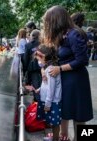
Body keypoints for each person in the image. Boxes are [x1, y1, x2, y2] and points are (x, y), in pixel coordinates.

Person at [39, 6, 93, 141]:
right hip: (67, 79)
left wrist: (60, 69)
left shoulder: (74, 34)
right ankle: (65, 136)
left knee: (80, 114)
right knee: (67, 111)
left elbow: (83, 60)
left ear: (57, 20)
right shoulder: (64, 34)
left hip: (76, 80)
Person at [35, 45, 62, 141]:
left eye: (38, 58)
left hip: (52, 101)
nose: (37, 60)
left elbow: (51, 88)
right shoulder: (47, 67)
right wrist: (40, 88)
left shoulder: (50, 70)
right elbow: (46, 84)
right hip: (48, 99)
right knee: (50, 120)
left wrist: (48, 103)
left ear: (44, 57)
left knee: (55, 123)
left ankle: (55, 139)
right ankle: (53, 138)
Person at [23, 29, 42, 102]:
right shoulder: (42, 43)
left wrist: (25, 70)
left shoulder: (28, 45)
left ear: (32, 36)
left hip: (33, 68)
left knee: (36, 86)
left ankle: (37, 102)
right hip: (43, 67)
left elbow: (25, 59)